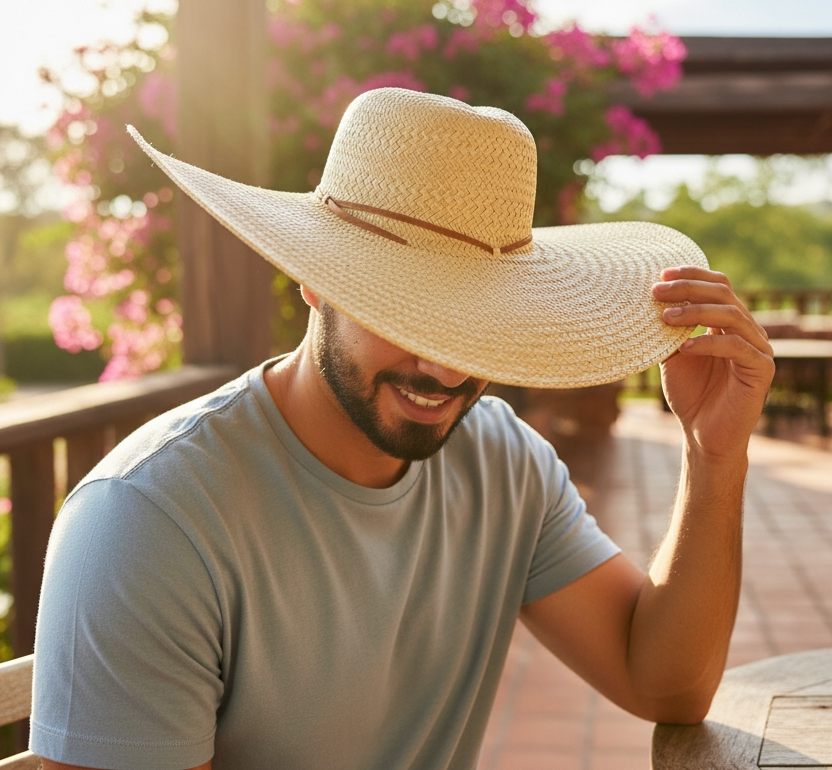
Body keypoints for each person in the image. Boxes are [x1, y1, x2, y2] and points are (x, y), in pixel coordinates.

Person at [31, 88, 774, 770]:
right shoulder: (149, 520)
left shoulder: (502, 460)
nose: (445, 367)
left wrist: (714, 455)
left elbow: (665, 686)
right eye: (404, 310)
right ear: (311, 277)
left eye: (477, 320)